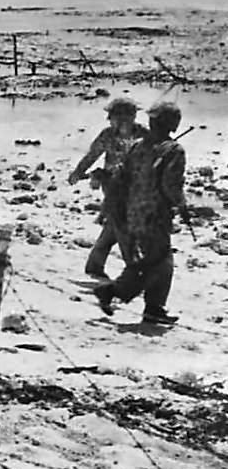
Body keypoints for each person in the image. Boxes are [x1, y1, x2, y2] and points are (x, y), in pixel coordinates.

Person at [93, 101, 189, 325]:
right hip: (155, 215)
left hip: (134, 213)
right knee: (155, 260)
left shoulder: (137, 146)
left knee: (162, 261)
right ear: (173, 123)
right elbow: (171, 185)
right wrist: (182, 206)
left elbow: (120, 179)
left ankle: (154, 309)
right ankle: (113, 291)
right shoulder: (173, 150)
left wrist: (114, 208)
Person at [67, 96, 148, 279]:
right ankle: (133, 268)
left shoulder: (143, 135)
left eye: (112, 116)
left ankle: (95, 265)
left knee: (115, 225)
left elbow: (155, 157)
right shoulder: (107, 135)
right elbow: (92, 155)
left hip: (135, 188)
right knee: (122, 225)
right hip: (112, 186)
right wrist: (79, 172)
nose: (109, 120)